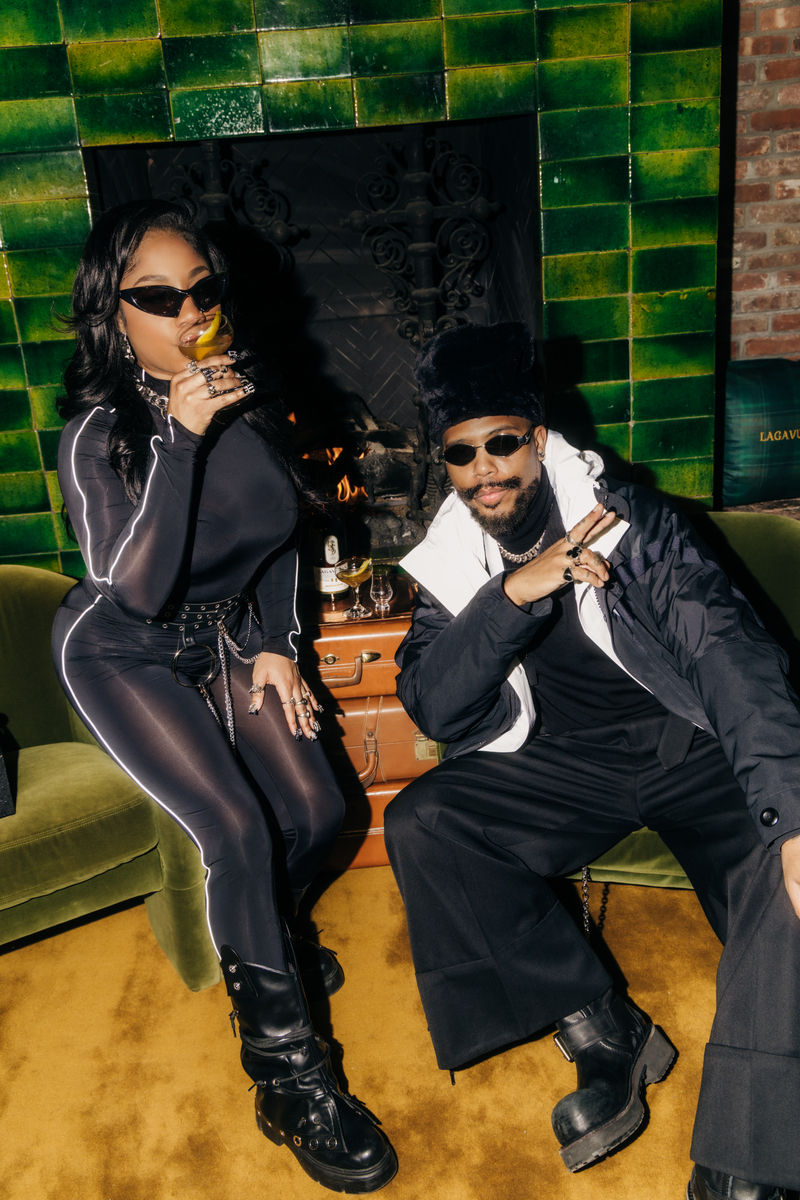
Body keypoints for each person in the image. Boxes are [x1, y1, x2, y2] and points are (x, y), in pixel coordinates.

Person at [385, 320, 800, 1200]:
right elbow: (433, 703)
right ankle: (604, 1031)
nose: (485, 469)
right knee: (425, 821)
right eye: (462, 454)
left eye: (503, 443)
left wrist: (793, 815)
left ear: (539, 441)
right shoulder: (454, 561)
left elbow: (729, 655)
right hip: (568, 764)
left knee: (789, 874)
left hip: (688, 748)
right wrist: (512, 595)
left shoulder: (633, 525)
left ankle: (744, 1161)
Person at [52, 199, 396, 1194]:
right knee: (237, 831)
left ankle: (266, 937)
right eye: (158, 298)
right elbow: (139, 590)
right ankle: (290, 1082)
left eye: (201, 291)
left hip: (230, 638)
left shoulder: (248, 398)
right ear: (112, 313)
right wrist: (181, 438)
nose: (190, 313)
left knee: (319, 810)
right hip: (122, 653)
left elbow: (283, 533)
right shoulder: (99, 438)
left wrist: (280, 647)